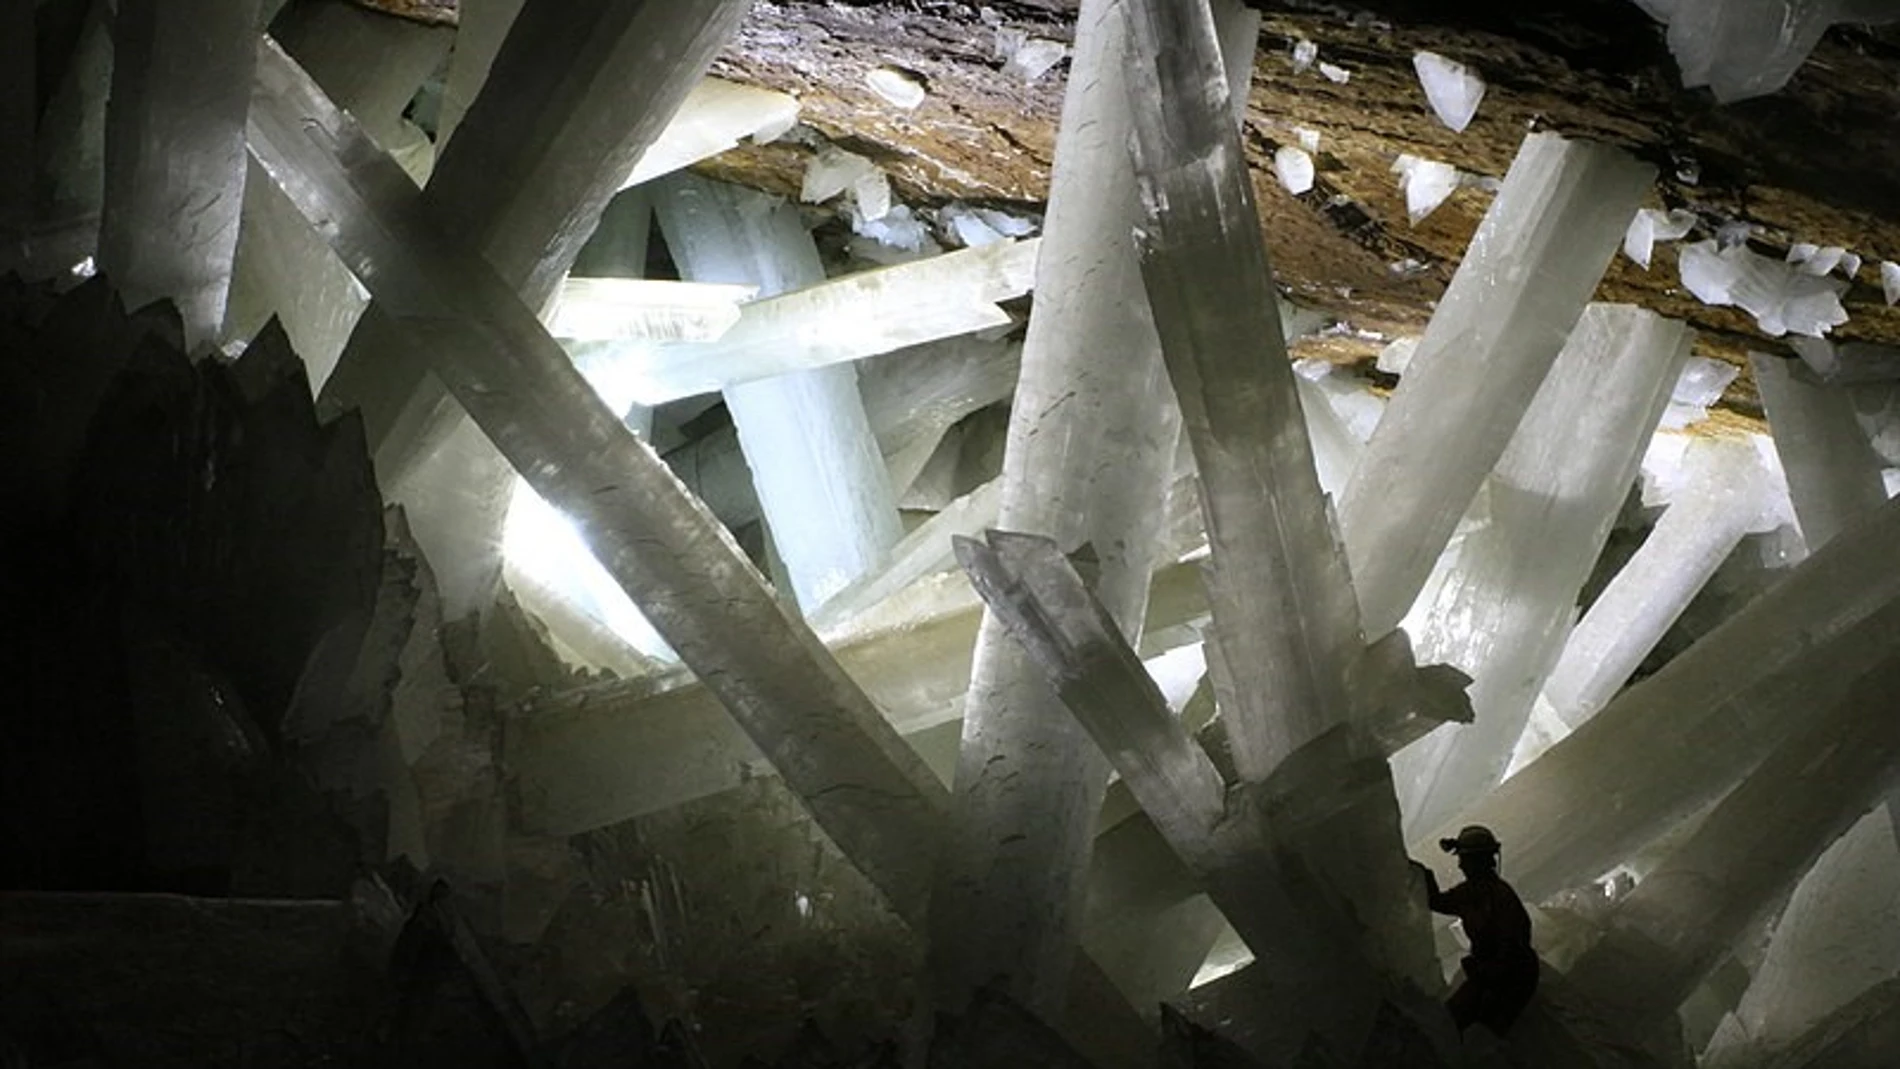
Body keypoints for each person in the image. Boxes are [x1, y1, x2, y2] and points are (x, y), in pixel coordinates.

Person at [1411, 825, 1539, 1035]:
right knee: (1454, 1023)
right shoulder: (1474, 892)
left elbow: (1512, 944)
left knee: (1463, 1027)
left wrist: (1489, 976)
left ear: (1478, 861)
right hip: (1497, 973)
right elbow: (1438, 902)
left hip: (1511, 976)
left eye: (1464, 859)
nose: (1460, 865)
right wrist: (1424, 874)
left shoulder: (1496, 896)